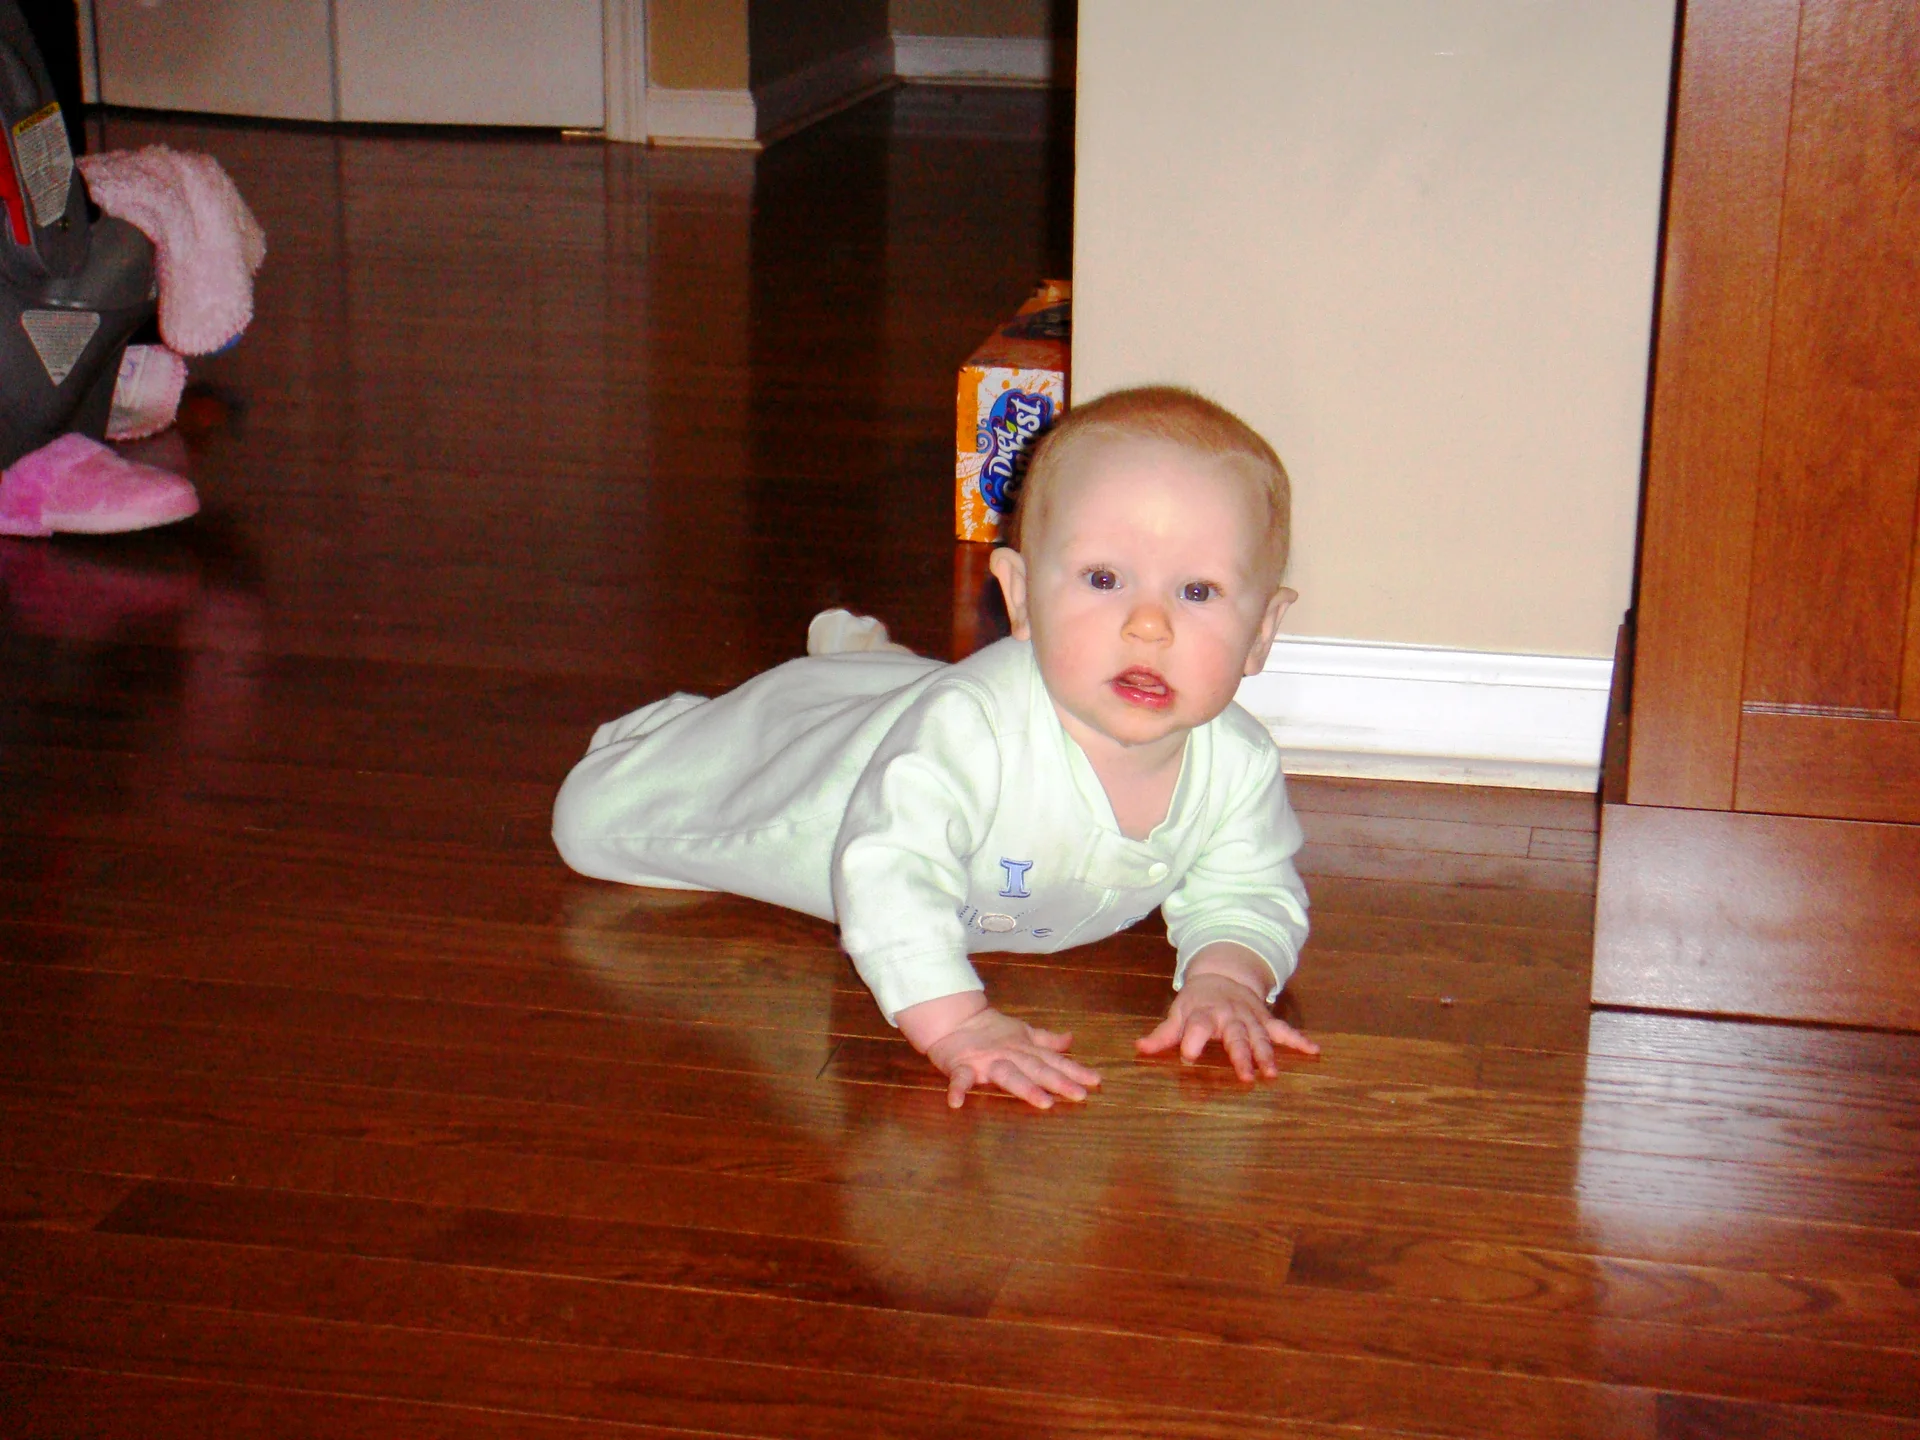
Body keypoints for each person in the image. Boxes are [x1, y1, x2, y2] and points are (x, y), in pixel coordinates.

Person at [552, 385, 1317, 1109]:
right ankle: (691, 729)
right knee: (588, 823)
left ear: (1261, 632)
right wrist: (955, 1022)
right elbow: (890, 874)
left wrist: (1229, 977)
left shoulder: (1238, 762)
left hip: (917, 712)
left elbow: (1248, 887)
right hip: (836, 798)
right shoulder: (967, 733)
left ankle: (867, 663)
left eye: (1197, 592)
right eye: (1103, 578)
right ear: (1020, 596)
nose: (1148, 625)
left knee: (910, 699)